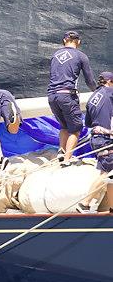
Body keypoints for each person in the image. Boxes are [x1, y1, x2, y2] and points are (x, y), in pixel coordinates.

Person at [48, 31, 97, 165]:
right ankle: (67, 159)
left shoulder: (55, 55)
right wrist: (98, 92)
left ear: (64, 40)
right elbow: (90, 80)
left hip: (52, 95)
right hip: (67, 95)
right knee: (75, 129)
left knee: (63, 126)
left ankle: (61, 151)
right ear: (78, 42)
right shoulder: (81, 56)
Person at [84, 72, 113, 210]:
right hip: (105, 139)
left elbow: (88, 123)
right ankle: (85, 203)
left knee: (106, 170)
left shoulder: (92, 98)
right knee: (105, 172)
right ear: (110, 82)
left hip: (96, 139)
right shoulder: (109, 92)